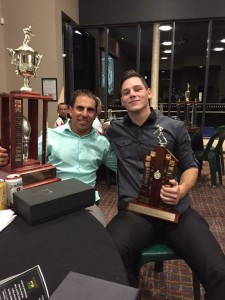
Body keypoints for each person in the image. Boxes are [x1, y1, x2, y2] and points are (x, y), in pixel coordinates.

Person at [106, 70, 225, 299]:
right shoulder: (114, 129)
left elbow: (192, 166)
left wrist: (180, 190)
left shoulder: (174, 127)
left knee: (218, 269)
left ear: (149, 93)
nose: (132, 94)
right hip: (136, 214)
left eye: (137, 89)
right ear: (121, 100)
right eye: (126, 92)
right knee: (109, 251)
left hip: (176, 212)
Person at [38, 89, 116, 226]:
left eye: (90, 110)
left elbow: (121, 167)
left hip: (87, 203)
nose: (84, 114)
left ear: (95, 113)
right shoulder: (50, 136)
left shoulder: (101, 143)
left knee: (101, 237)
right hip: (54, 199)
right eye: (80, 108)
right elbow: (27, 163)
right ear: (70, 110)